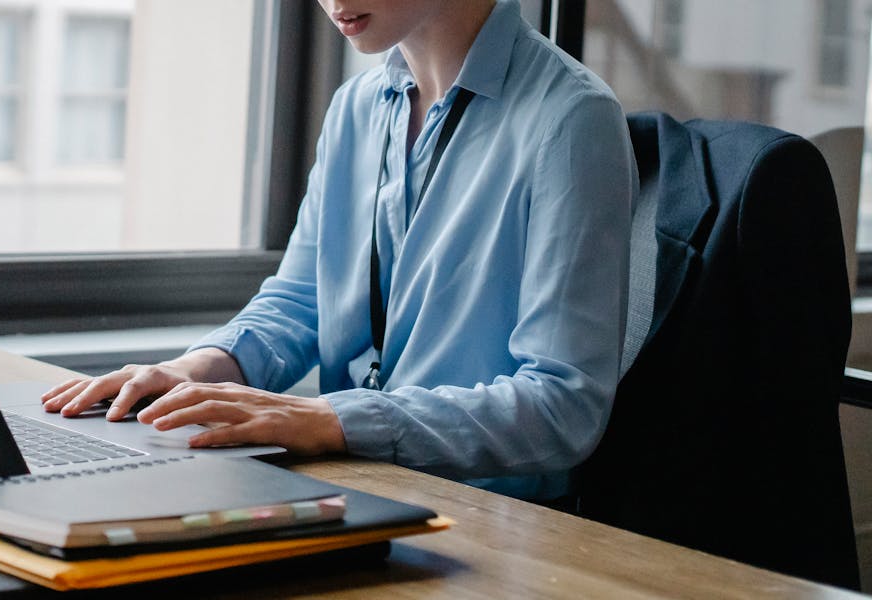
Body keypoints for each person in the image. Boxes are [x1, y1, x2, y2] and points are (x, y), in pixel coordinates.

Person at [42, 0, 636, 500]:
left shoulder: (572, 120)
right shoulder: (356, 106)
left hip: (488, 523)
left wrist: (333, 420)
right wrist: (194, 371)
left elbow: (563, 407)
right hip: (355, 487)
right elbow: (304, 300)